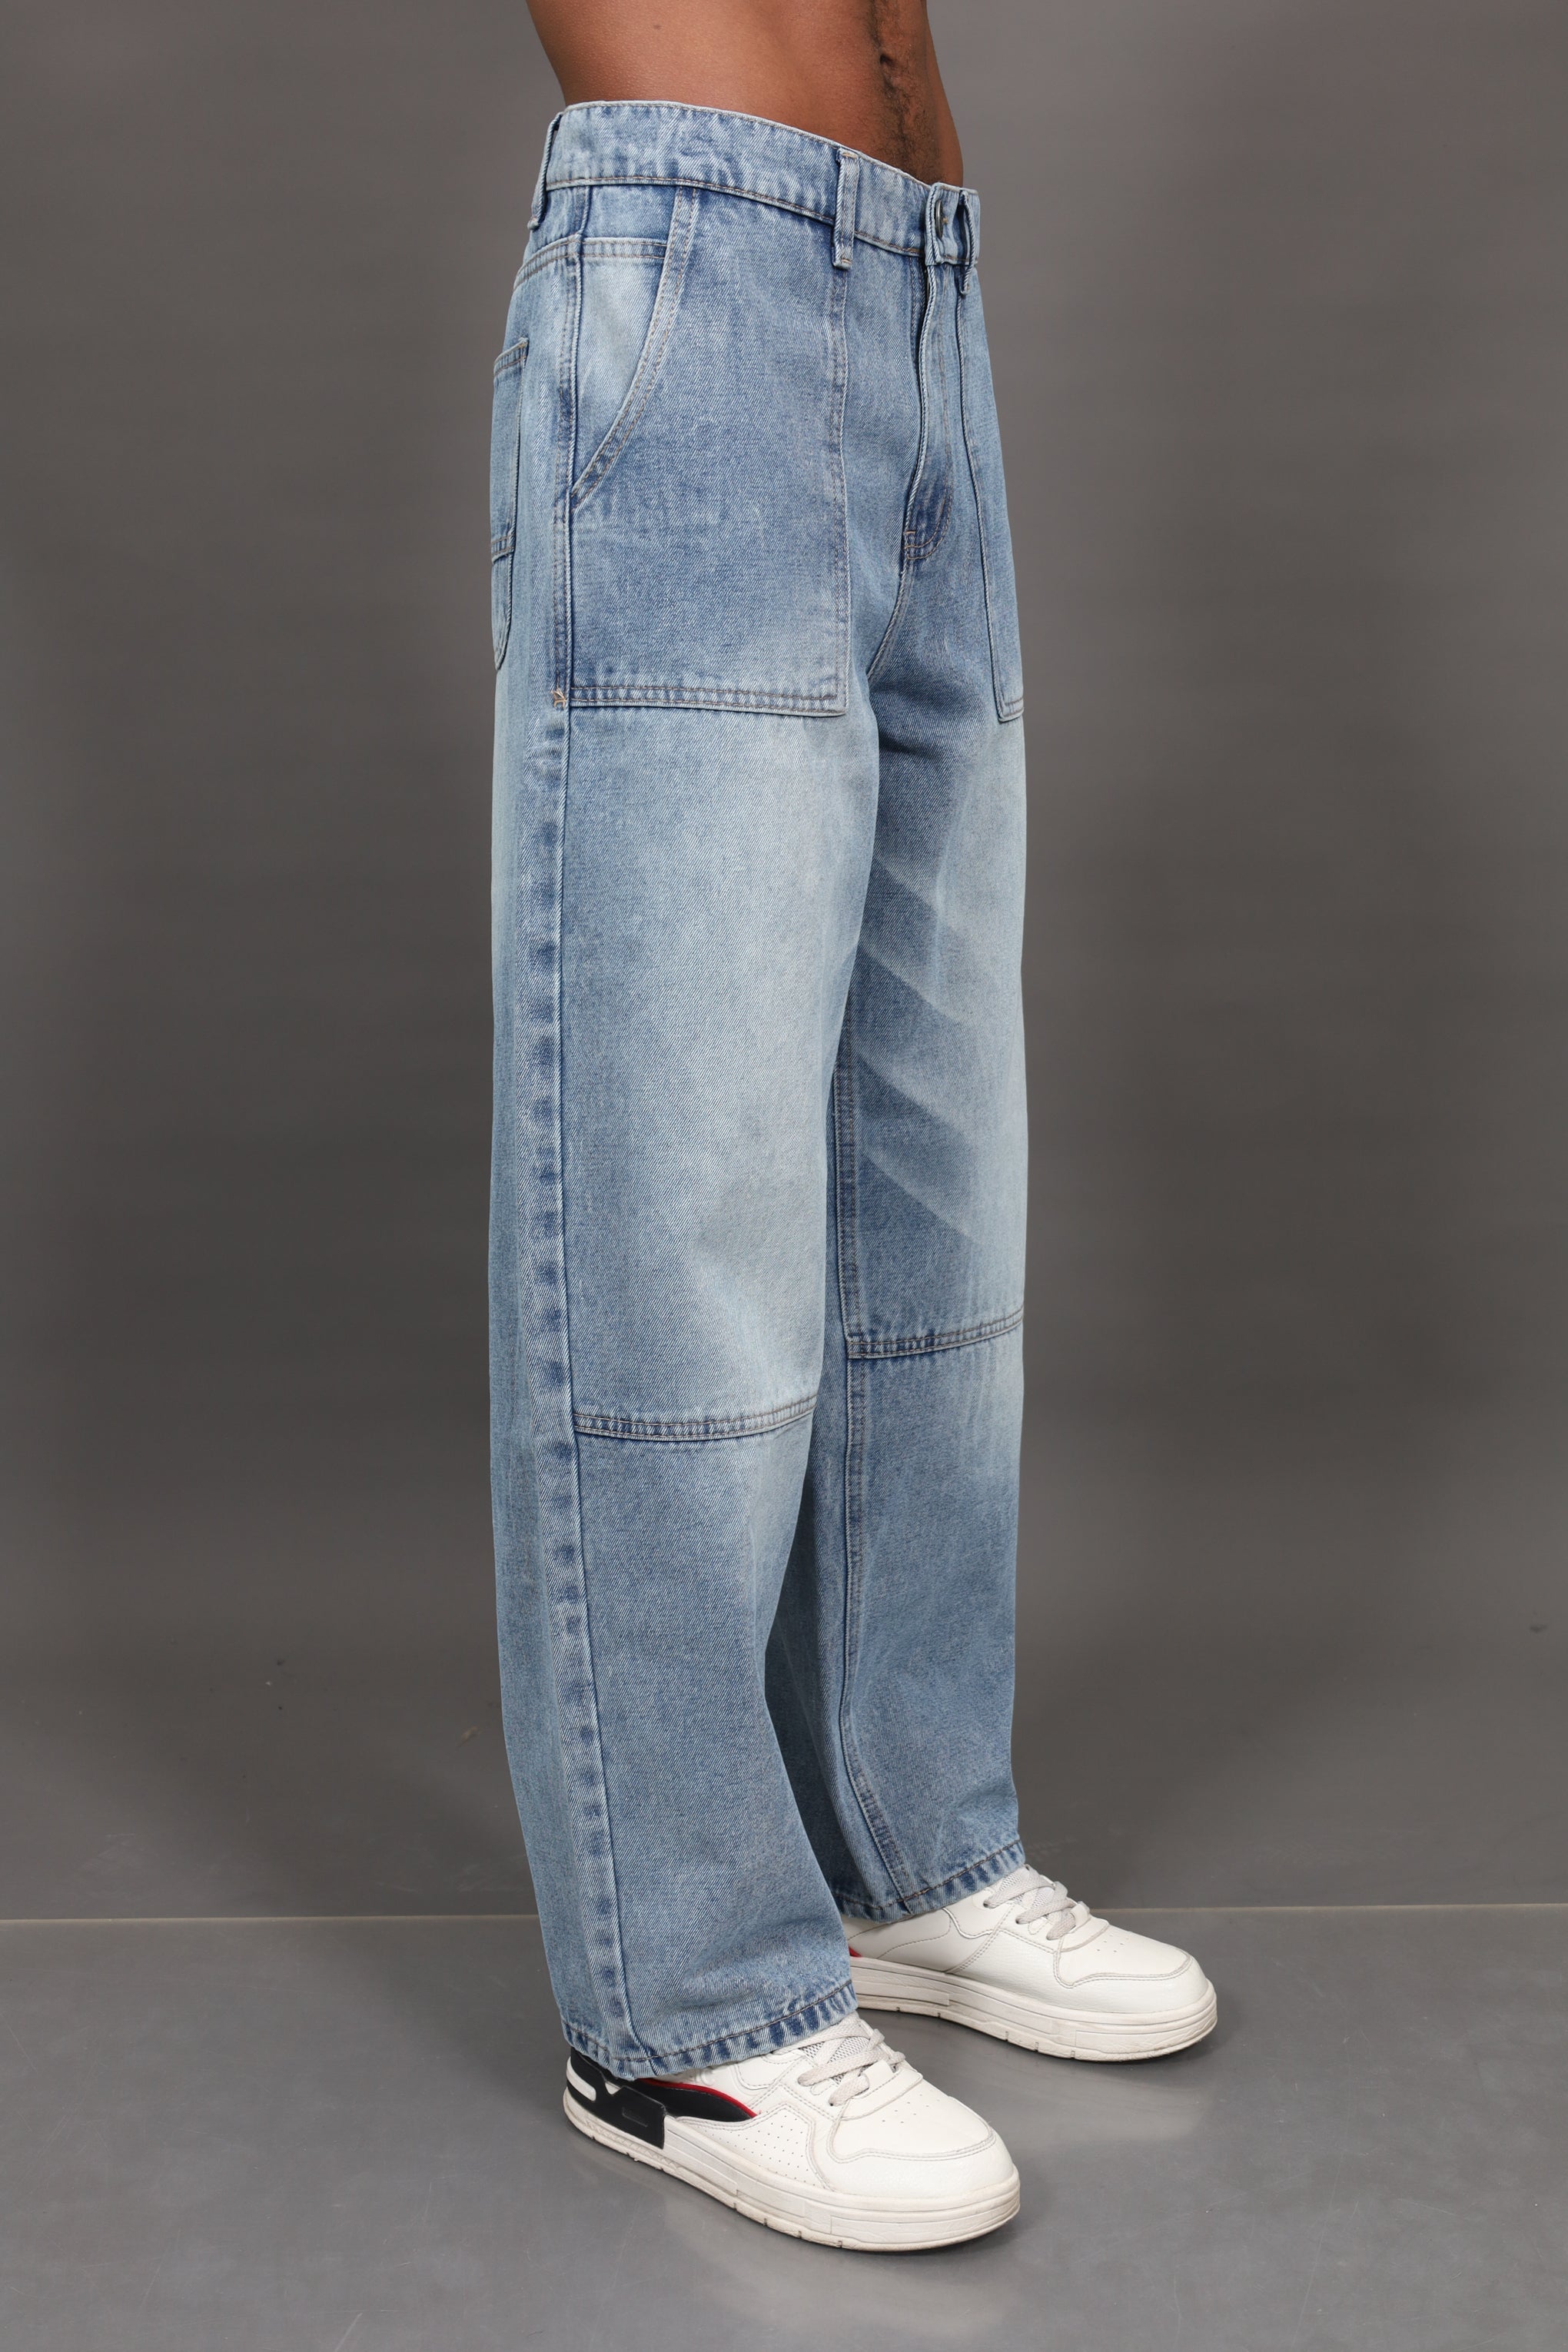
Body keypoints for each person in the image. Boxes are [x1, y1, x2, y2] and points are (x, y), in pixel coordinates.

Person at [488, 0, 1214, 2252]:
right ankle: (685, 1998)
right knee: (682, 1198)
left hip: (920, 295)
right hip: (693, 272)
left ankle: (907, 1853)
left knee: (932, 1196)